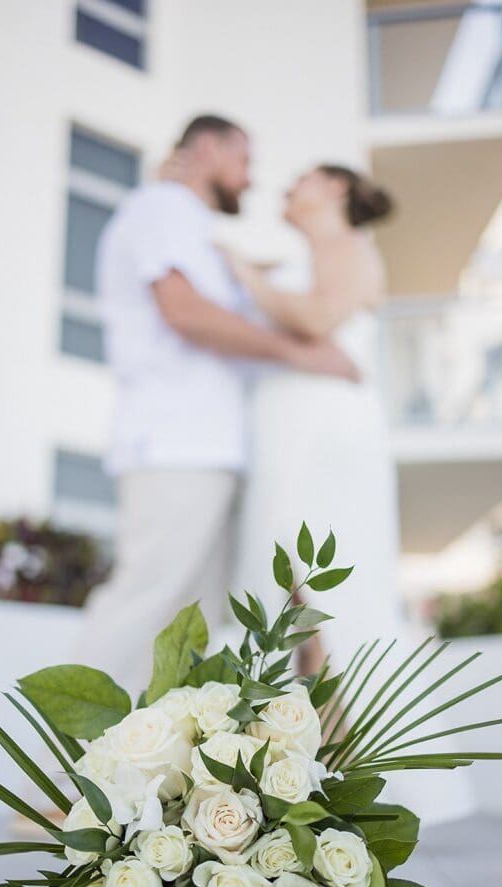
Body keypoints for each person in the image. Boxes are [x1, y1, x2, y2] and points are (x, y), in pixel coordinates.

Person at [72, 119, 358, 701]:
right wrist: (302, 356)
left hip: (209, 451)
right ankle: (54, 777)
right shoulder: (162, 207)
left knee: (187, 628)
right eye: (244, 160)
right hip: (175, 444)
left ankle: (141, 783)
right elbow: (185, 312)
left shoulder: (193, 229)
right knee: (146, 603)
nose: (250, 180)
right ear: (207, 148)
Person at [231, 164, 474, 823]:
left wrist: (244, 274)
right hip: (285, 428)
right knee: (282, 590)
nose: (286, 186)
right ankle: (299, 761)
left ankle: (354, 767)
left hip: (322, 435)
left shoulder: (349, 250)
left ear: (335, 190)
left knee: (326, 586)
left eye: (300, 178)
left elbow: (315, 319)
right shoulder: (306, 256)